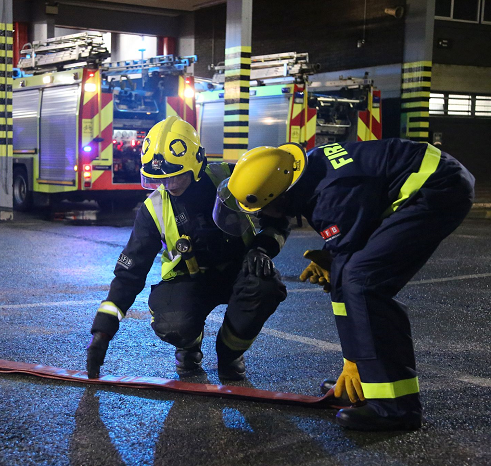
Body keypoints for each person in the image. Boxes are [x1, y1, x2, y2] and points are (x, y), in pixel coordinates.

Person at [217, 139, 474, 431]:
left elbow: (345, 269)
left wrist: (351, 359)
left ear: (281, 198)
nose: (263, 216)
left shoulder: (330, 199)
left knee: (362, 284)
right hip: (428, 175)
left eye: (264, 209)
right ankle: (373, 377)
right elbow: (354, 226)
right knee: (354, 276)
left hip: (437, 188)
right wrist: (334, 254)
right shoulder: (307, 169)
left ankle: (395, 408)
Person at [86, 116, 289, 381]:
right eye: (161, 179)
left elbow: (278, 220)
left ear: (196, 164)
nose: (168, 185)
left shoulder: (233, 178)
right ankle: (189, 347)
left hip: (240, 270)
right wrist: (102, 332)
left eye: (175, 177)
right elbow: (129, 273)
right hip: (188, 280)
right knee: (172, 323)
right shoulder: (153, 208)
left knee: (266, 285)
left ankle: (229, 354)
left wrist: (261, 250)